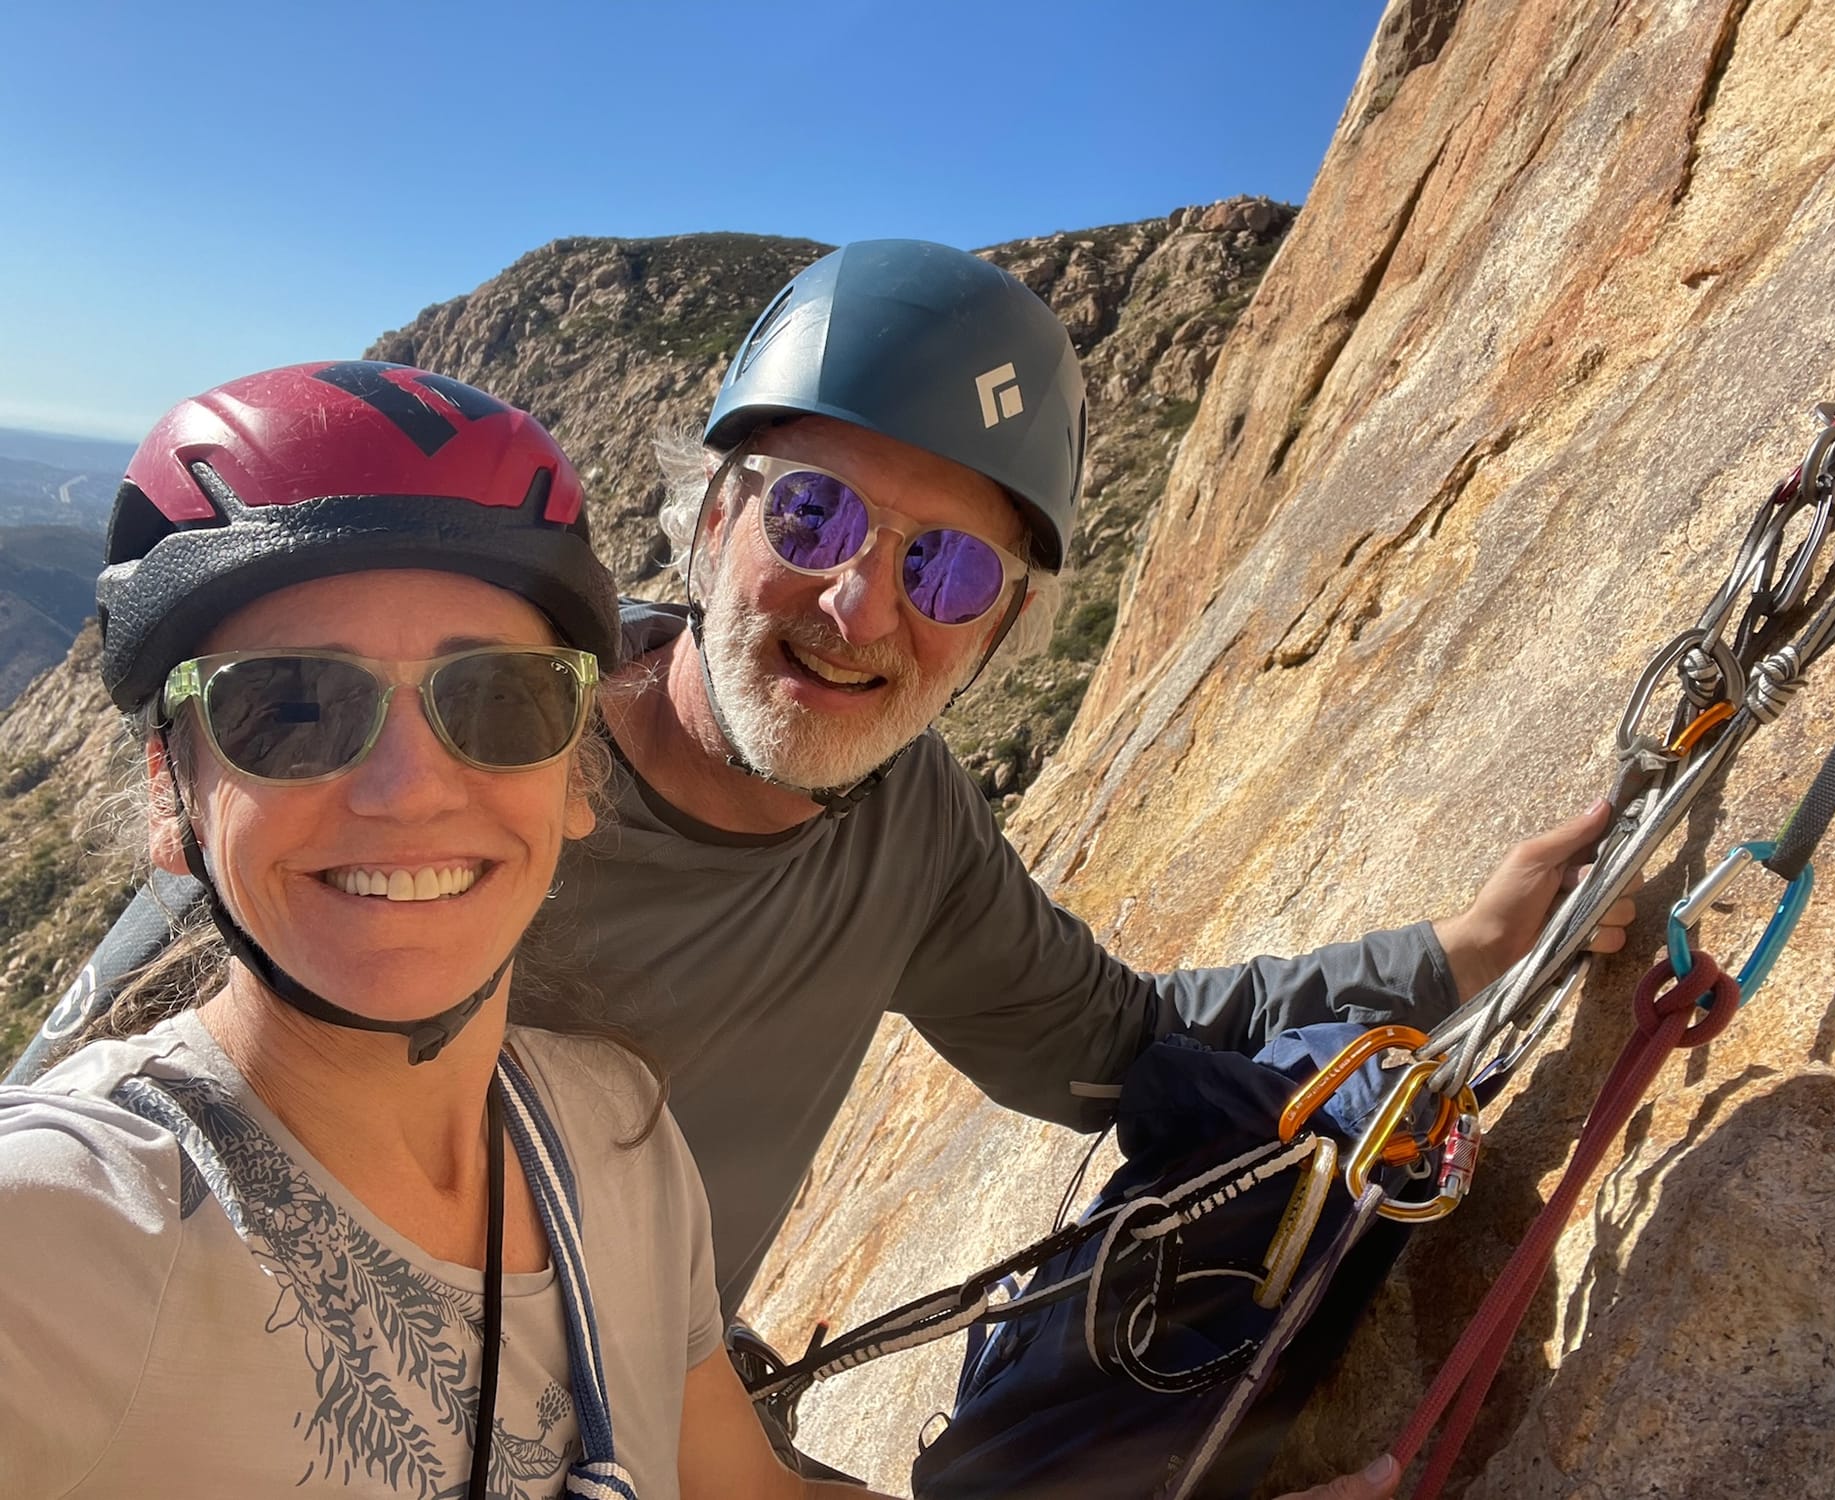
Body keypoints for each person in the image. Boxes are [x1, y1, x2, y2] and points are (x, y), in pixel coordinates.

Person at [22, 242, 1633, 1323]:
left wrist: (1462, 954)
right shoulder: (478, 771)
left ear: (1002, 628)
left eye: (945, 572)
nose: (860, 610)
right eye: (811, 520)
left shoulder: (908, 827)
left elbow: (1121, 1048)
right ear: (708, 521)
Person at [0, 361, 1413, 1500]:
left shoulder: (612, 1148)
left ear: (573, 778)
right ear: (169, 794)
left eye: (496, 701)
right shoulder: (71, 1230)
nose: (405, 786)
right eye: (288, 707)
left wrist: (1469, 946)